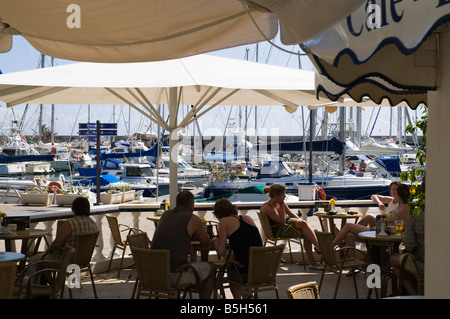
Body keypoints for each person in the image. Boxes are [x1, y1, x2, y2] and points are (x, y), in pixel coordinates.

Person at [151, 190, 216, 299]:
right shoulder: (193, 219)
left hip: (154, 273)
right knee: (212, 268)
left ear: (177, 203)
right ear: (192, 205)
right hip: (175, 275)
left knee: (194, 265)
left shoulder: (165, 215)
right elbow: (206, 243)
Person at [333, 182, 409, 259]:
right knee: (349, 235)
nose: (395, 192)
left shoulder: (404, 206)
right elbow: (374, 196)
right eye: (393, 189)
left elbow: (402, 226)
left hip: (384, 232)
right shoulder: (397, 204)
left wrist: (383, 224)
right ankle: (353, 263)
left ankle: (332, 246)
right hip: (382, 229)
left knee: (348, 225)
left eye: (397, 190)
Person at [260, 184, 322, 269]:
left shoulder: (279, 202)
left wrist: (302, 223)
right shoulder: (267, 208)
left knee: (304, 228)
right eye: (283, 194)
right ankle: (316, 252)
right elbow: (282, 221)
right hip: (277, 230)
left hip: (283, 225)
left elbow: (290, 213)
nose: (285, 196)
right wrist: (281, 205)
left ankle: (316, 252)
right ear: (277, 196)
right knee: (305, 233)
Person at [212, 198, 263, 299]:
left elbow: (221, 252)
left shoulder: (224, 221)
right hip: (260, 270)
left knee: (231, 267)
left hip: (246, 272)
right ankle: (247, 295)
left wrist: (214, 240)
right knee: (236, 261)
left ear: (218, 213)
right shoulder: (247, 218)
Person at [390, 210, 425, 295]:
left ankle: (414, 294)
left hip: (424, 265)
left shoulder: (415, 214)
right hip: (444, 264)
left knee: (393, 259)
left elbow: (410, 248)